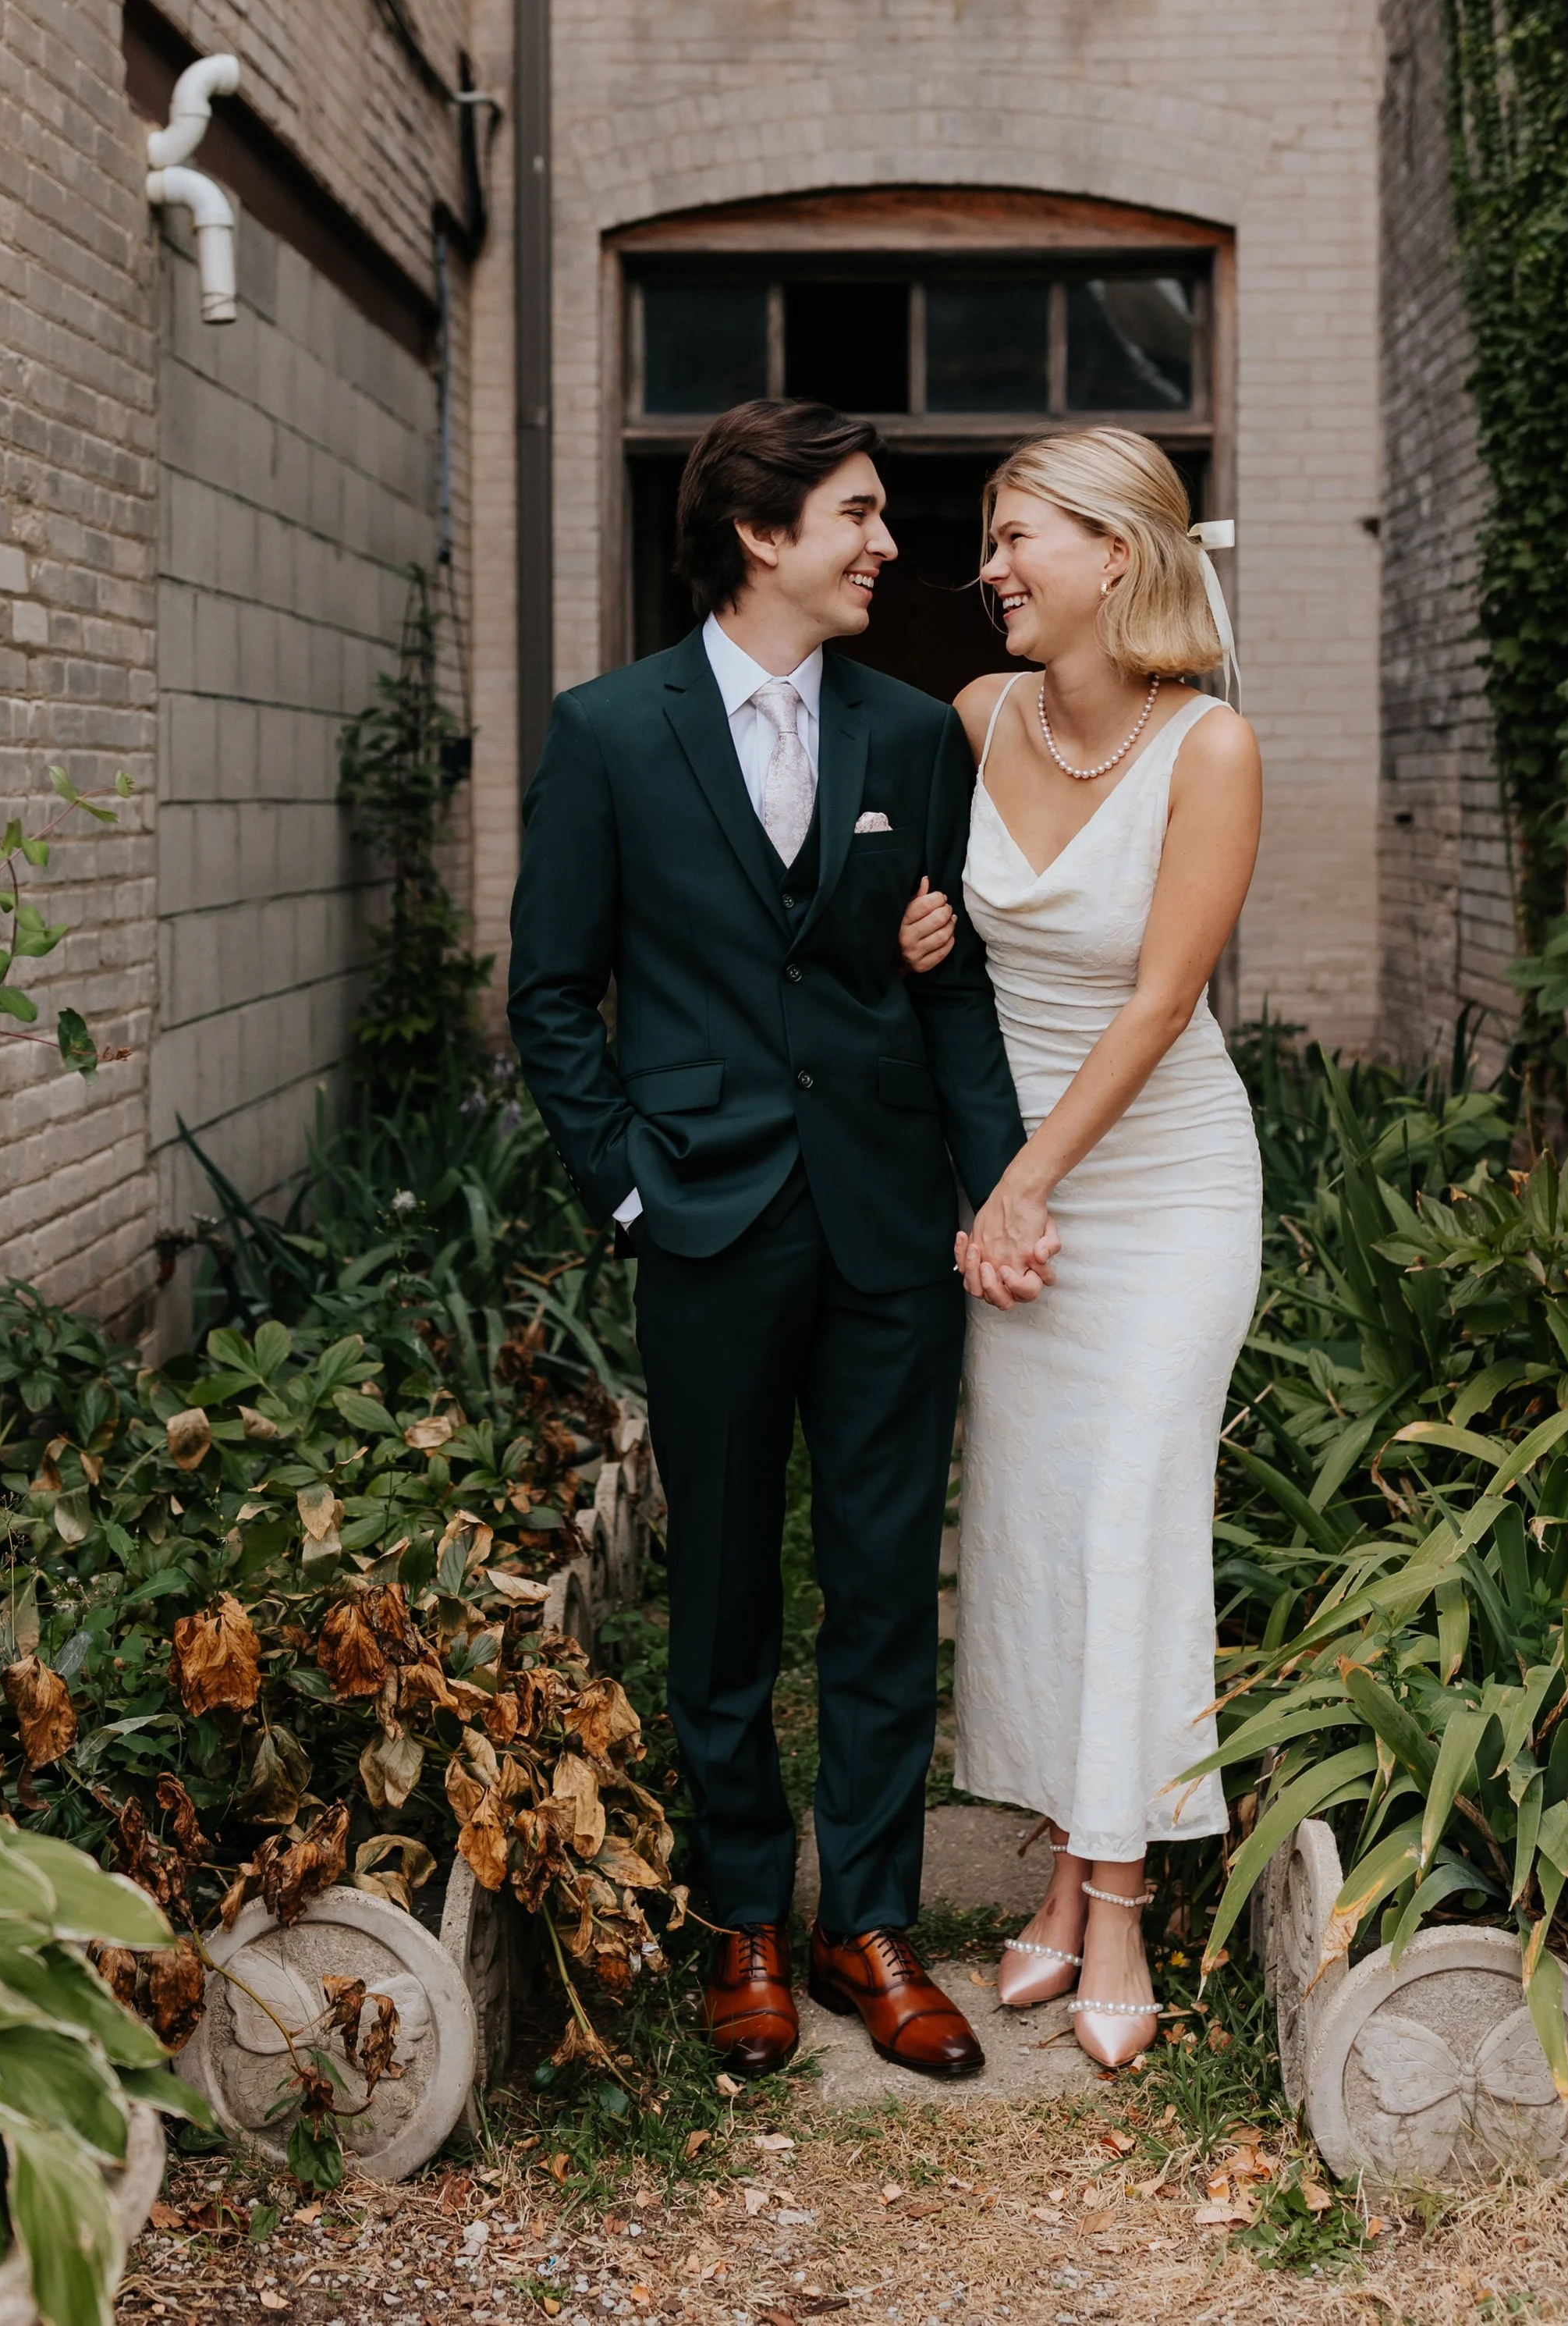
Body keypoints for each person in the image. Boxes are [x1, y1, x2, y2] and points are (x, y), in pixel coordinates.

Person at [508, 400, 1041, 2081]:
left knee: (883, 1592)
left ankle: (863, 1921)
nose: (889, 544)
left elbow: (945, 993)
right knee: (724, 1590)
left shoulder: (909, 736)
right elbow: (549, 993)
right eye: (859, 515)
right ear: (760, 532)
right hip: (710, 1221)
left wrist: (998, 1185)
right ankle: (743, 1908)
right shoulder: (606, 730)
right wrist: (631, 1189)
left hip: (886, 1220)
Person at [895, 428, 1264, 2073]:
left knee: (1130, 1515)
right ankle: (1057, 1869)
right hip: (1010, 1185)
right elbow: (930, 946)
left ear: (1115, 555)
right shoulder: (972, 721)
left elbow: (1159, 999)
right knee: (1039, 1534)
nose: (988, 565)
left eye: (1016, 535)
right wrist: (913, 932)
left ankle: (1116, 1905)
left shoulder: (1212, 751)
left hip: (1156, 1185)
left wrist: (1025, 1187)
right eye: (989, 536)